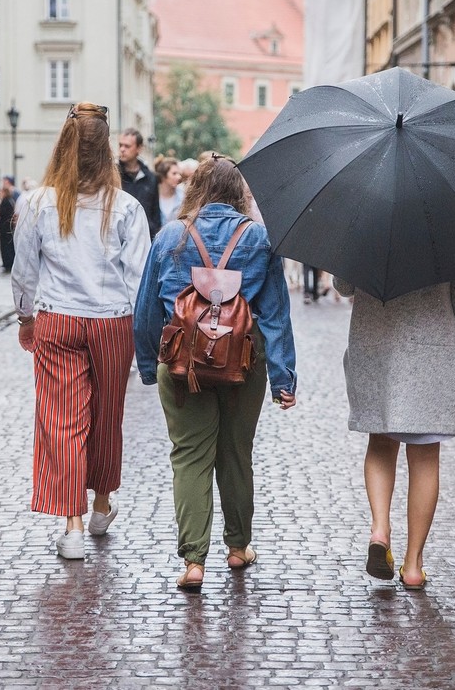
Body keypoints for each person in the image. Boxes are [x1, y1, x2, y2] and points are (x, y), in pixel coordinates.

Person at [133, 155, 298, 593]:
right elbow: (276, 313)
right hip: (243, 361)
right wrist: (284, 378)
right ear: (239, 194)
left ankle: (193, 561)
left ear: (197, 190)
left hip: (183, 363)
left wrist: (151, 366)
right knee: (236, 452)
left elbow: (147, 310)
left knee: (188, 455)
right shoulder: (259, 238)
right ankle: (238, 547)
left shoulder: (170, 235)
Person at [13, 102, 151, 560]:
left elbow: (24, 271)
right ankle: (101, 504)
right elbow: (140, 278)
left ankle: (71, 526)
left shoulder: (36, 203)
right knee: (107, 415)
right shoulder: (127, 207)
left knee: (62, 421)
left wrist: (25, 317)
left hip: (58, 318)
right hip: (113, 320)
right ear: (108, 150)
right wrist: (145, 330)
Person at [332, 275, 455, 590]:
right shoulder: (453, 229)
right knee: (425, 457)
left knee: (381, 445)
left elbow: (345, 285)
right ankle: (413, 566)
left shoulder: (366, 225)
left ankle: (380, 529)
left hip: (376, 348)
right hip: (433, 354)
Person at [117, 127, 162, 237]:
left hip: (145, 237)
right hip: (120, 237)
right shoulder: (113, 174)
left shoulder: (150, 178)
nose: (122, 149)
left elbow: (155, 212)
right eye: (120, 145)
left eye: (127, 146)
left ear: (139, 148)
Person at [0, 176, 18, 273]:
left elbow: (2, 213)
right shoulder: (10, 201)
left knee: (6, 246)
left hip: (5, 228)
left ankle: (7, 263)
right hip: (7, 227)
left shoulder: (5, 201)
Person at [154, 157, 184, 226]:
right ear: (163, 176)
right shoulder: (152, 194)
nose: (179, 177)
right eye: (174, 173)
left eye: (179, 174)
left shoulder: (183, 195)